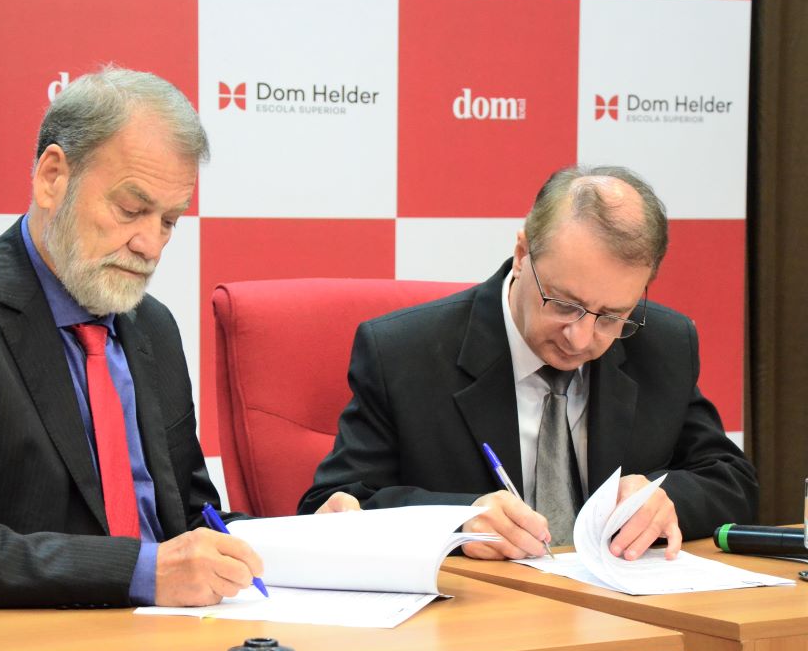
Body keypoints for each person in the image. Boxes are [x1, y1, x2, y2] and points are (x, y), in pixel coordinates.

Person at [0, 66, 353, 616]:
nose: (150, 245)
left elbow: (189, 519)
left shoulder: (151, 325)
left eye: (169, 221)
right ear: (52, 177)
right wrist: (143, 572)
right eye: (131, 210)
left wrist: (301, 542)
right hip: (23, 649)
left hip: (170, 641)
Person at [299, 165, 757, 562]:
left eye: (611, 316)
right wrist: (459, 521)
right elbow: (333, 506)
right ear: (523, 255)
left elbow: (732, 481)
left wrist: (667, 498)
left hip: (622, 619)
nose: (580, 337)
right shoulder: (403, 352)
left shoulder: (664, 343)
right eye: (563, 303)